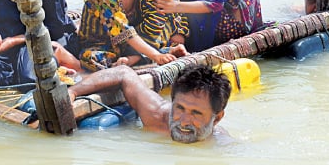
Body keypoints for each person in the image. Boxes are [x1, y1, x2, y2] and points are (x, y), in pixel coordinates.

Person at [68, 64, 231, 143]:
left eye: (196, 113)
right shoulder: (157, 115)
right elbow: (123, 73)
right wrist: (72, 92)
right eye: (180, 108)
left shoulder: (220, 144)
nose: (184, 120)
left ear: (217, 119)